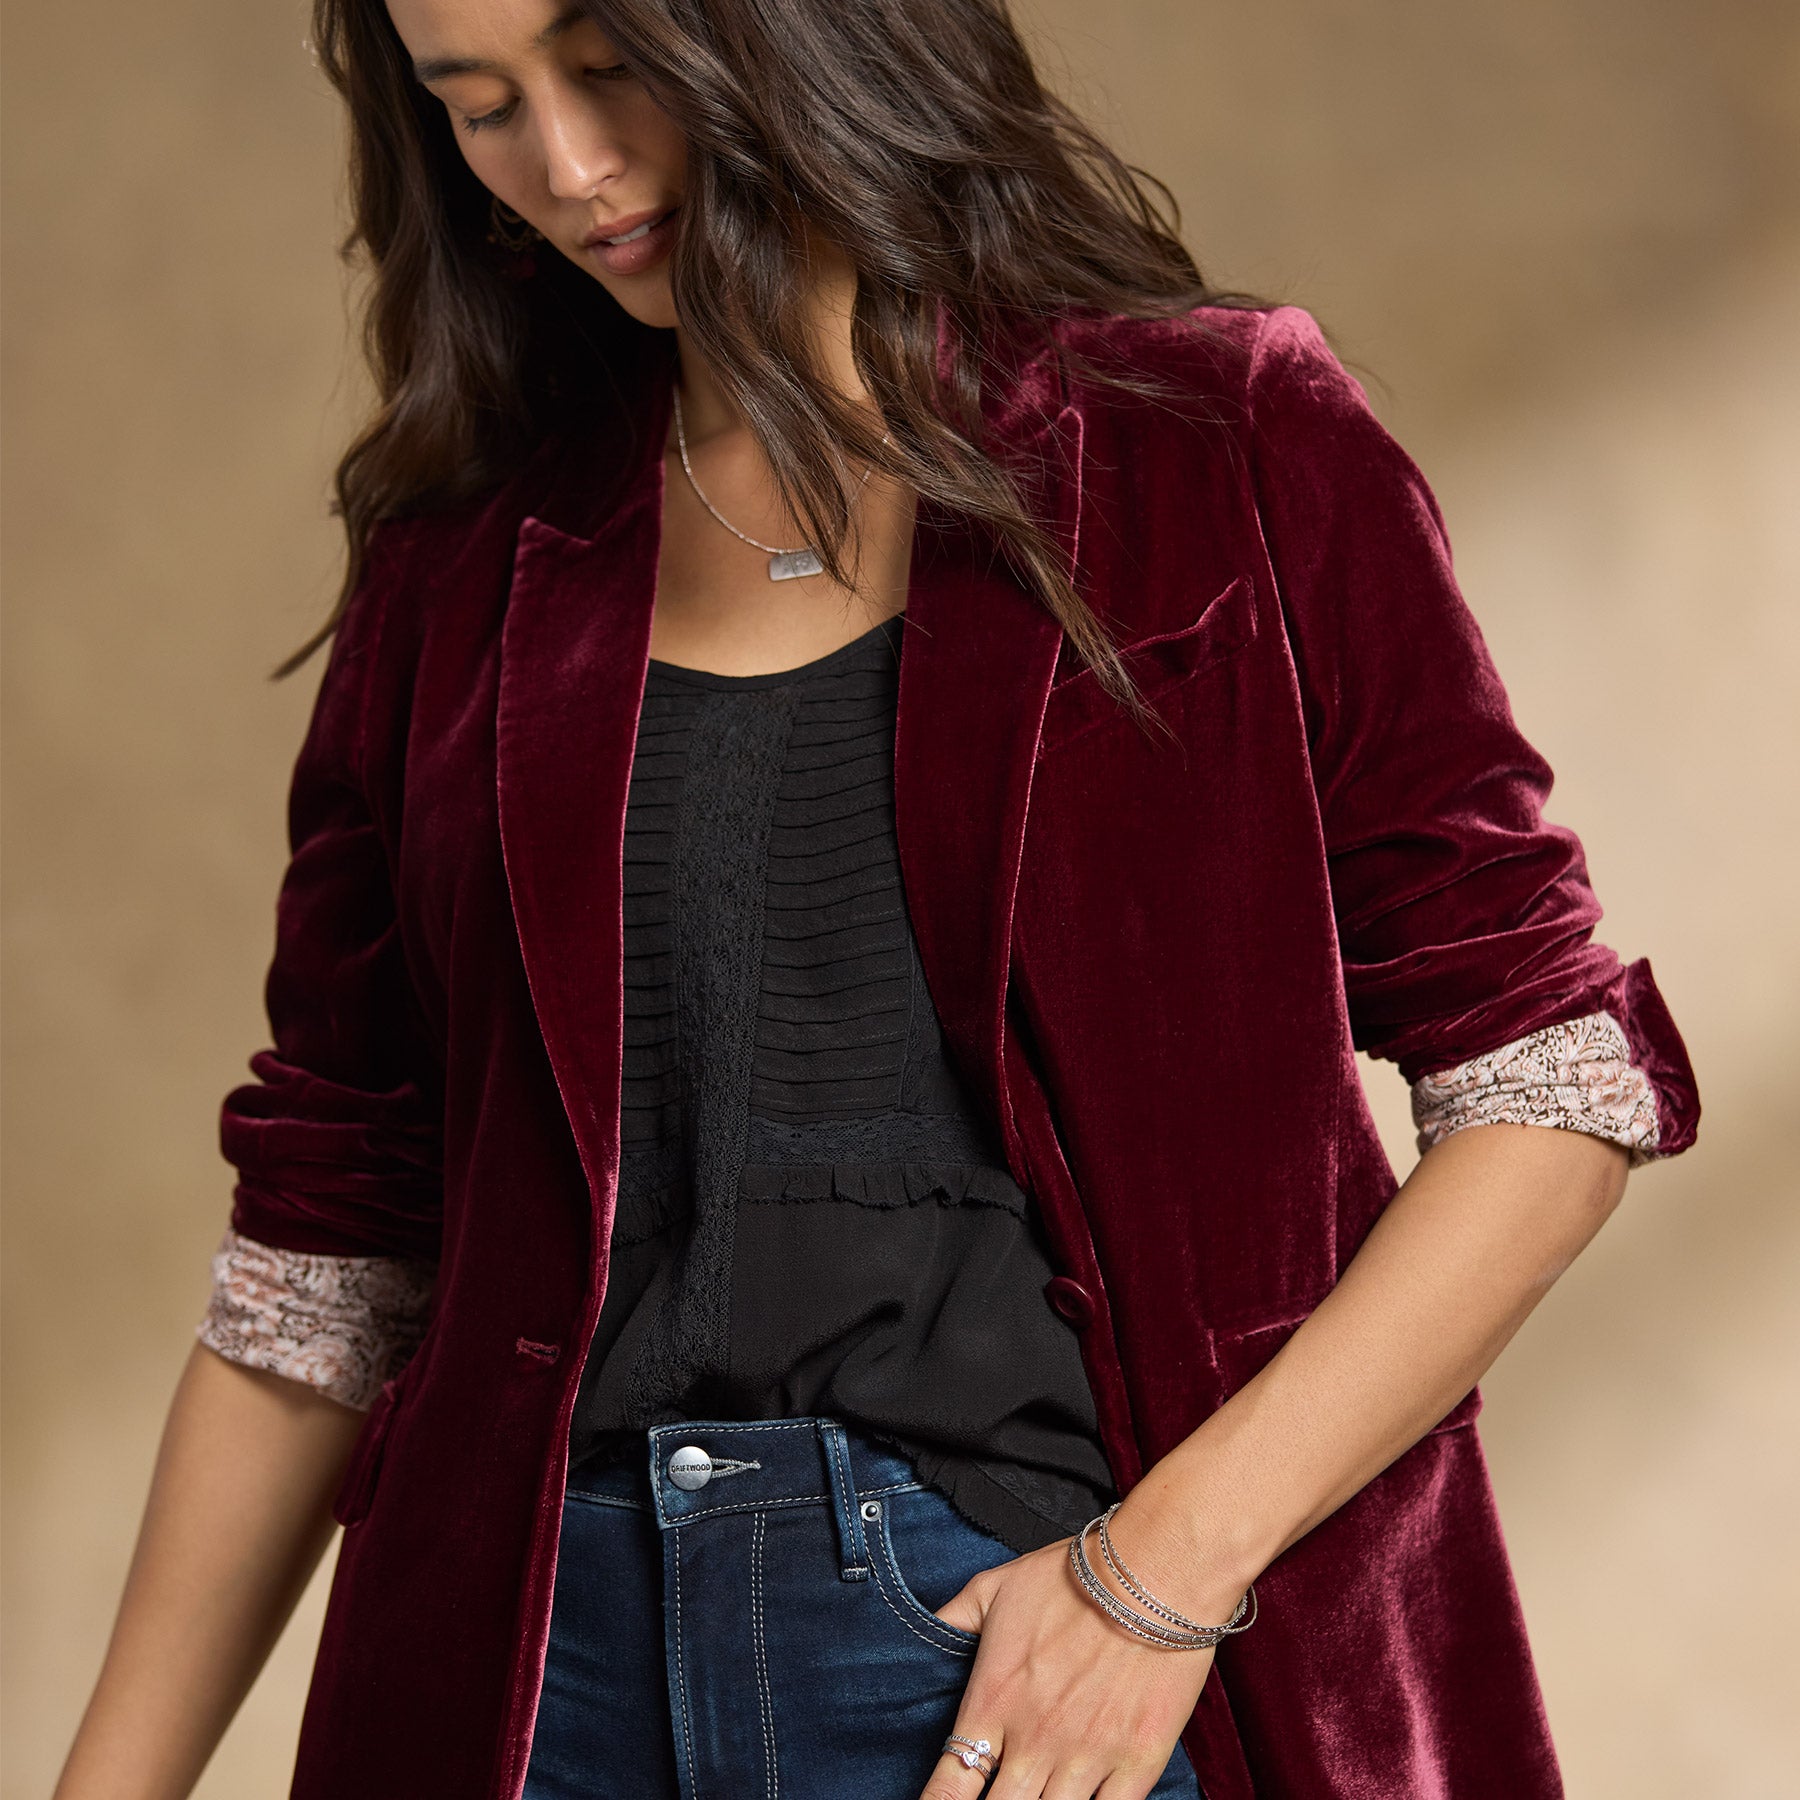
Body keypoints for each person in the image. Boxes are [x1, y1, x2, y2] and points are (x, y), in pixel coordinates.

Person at [54, 0, 1701, 1795]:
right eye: (480, 106)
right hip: (533, 1689)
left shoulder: (1213, 442)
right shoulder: (462, 571)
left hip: (1027, 1671)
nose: (569, 167)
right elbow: (323, 1259)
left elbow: (1549, 1083)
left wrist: (1162, 1575)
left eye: (607, 69)